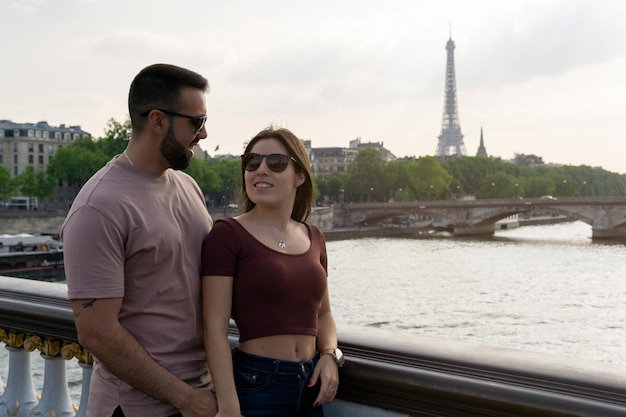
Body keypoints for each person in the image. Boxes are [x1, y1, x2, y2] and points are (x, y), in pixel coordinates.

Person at [61, 63, 217, 417]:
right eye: (197, 122)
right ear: (158, 121)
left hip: (200, 398)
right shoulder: (98, 207)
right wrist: (185, 398)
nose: (204, 134)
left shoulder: (188, 186)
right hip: (137, 408)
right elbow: (97, 333)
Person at [201, 127, 343, 417]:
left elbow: (324, 314)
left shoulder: (314, 237)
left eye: (276, 163)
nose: (260, 170)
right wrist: (228, 405)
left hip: (310, 386)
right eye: (252, 162)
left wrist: (329, 356)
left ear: (300, 176)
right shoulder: (227, 235)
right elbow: (213, 328)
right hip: (256, 384)